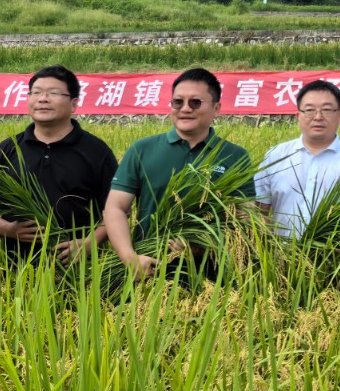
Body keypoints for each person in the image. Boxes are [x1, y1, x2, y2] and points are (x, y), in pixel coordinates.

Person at [104, 68, 254, 278]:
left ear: (216, 108)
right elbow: (115, 207)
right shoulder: (142, 149)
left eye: (195, 102)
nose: (185, 109)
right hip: (148, 271)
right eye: (178, 102)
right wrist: (130, 258)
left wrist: (202, 246)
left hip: (212, 275)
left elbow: (244, 219)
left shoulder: (235, 156)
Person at [0, 65, 118, 262]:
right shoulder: (8, 149)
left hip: (82, 271)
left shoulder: (96, 151)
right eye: (36, 93)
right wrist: (9, 230)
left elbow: (117, 210)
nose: (42, 99)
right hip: (16, 271)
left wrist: (89, 243)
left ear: (73, 104)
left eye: (53, 93)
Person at [255, 80, 340, 240]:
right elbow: (259, 209)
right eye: (309, 110)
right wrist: (270, 247)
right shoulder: (276, 156)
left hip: (337, 258)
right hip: (281, 257)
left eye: (327, 110)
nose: (318, 117)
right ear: (298, 116)